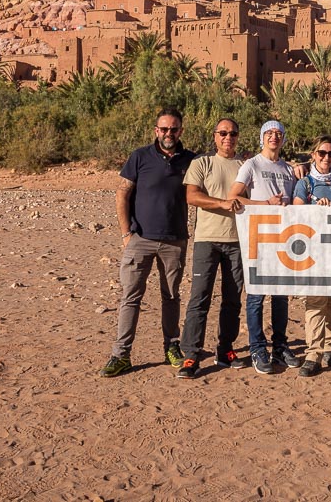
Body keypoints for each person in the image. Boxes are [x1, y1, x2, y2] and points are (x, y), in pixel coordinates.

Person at [100, 108, 195, 378]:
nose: (168, 134)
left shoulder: (190, 160)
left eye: (173, 129)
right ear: (156, 131)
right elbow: (123, 194)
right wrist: (126, 234)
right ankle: (121, 354)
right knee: (131, 297)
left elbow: (220, 169)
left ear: (181, 131)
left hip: (174, 240)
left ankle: (171, 346)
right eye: (164, 129)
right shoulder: (140, 157)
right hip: (140, 239)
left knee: (172, 295)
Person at [174, 118, 246, 380]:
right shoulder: (202, 163)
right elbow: (192, 196)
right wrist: (222, 203)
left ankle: (225, 349)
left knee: (232, 299)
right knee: (199, 298)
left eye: (233, 133)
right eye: (223, 133)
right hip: (207, 240)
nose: (228, 137)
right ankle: (191, 355)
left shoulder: (244, 166)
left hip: (237, 241)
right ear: (215, 136)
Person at [228, 120, 300, 375]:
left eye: (279, 133)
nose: (274, 137)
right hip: (259, 239)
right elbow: (233, 196)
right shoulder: (252, 164)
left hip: (285, 241)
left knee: (281, 295)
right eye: (269, 133)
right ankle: (258, 347)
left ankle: (279, 346)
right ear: (262, 137)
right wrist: (265, 203)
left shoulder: (288, 169)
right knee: (257, 296)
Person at [291, 135, 331, 377]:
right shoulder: (305, 183)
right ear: (313, 155)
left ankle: (328, 346)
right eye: (322, 153)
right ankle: (313, 353)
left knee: (330, 301)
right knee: (315, 301)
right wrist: (314, 208)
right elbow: (295, 211)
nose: (326, 158)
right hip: (313, 250)